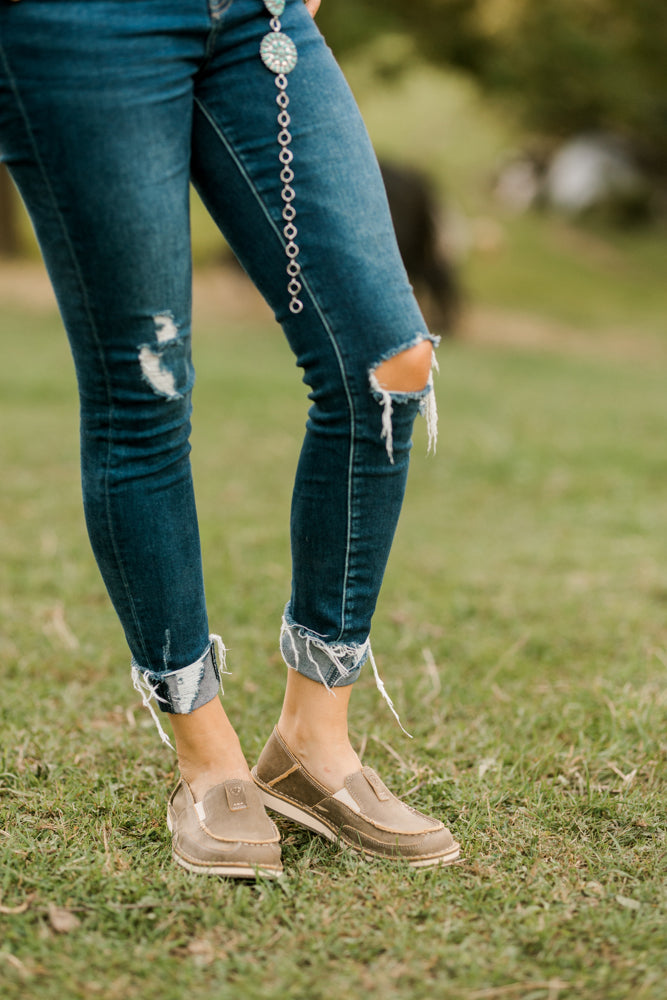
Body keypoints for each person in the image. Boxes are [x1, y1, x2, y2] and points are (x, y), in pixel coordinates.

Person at [0, 0, 460, 877]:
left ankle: (312, 746)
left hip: (259, 16)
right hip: (81, 29)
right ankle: (206, 759)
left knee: (387, 364)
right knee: (145, 384)